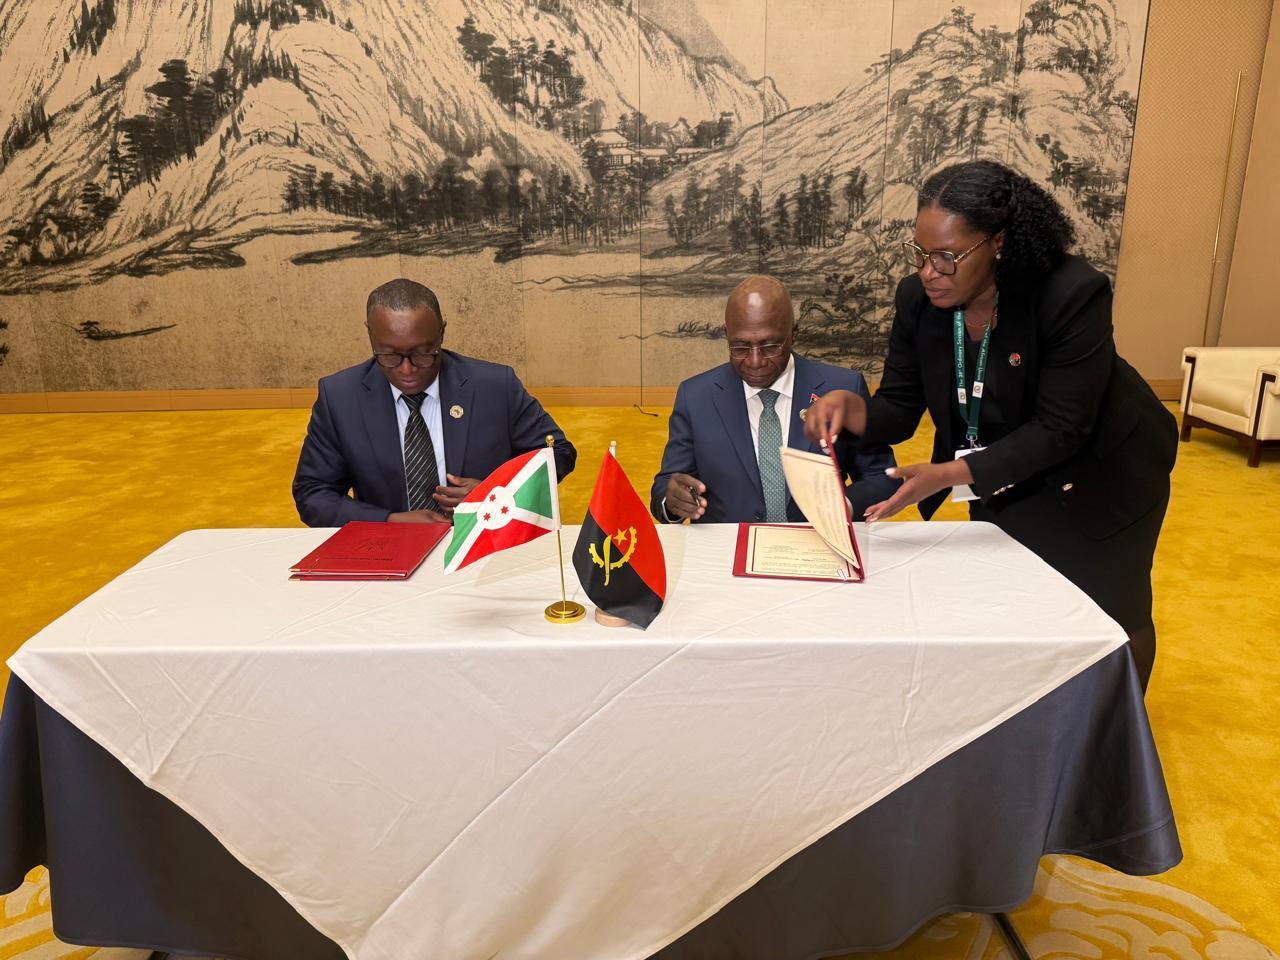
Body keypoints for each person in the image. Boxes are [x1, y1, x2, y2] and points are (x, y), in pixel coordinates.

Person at [804, 160, 1177, 689]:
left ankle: (1122, 728)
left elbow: (1061, 428)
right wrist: (852, 408)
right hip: (1000, 468)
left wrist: (949, 474)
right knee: (1018, 601)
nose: (929, 272)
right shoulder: (919, 301)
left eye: (947, 257)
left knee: (1112, 613)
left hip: (1101, 471)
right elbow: (900, 408)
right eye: (920, 254)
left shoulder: (1070, 292)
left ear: (998, 243)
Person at [293, 279, 576, 527]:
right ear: (370, 336)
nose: (407, 370)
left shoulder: (494, 386)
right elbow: (313, 494)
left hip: (482, 542)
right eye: (389, 355)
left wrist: (497, 491)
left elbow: (559, 454)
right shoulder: (340, 397)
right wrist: (390, 521)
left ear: (441, 333)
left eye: (422, 354)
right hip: (388, 549)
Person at [651, 275, 899, 524]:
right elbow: (666, 487)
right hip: (726, 546)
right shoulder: (695, 397)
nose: (755, 361)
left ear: (793, 334)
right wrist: (672, 502)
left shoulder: (843, 389)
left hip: (815, 542)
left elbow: (882, 476)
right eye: (740, 347)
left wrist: (843, 507)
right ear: (727, 335)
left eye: (770, 346)